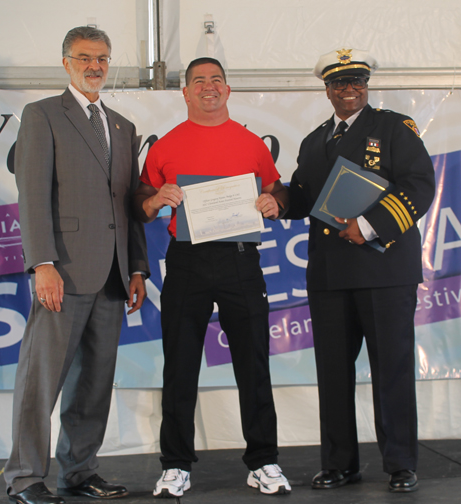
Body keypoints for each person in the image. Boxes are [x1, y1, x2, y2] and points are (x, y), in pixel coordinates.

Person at [4, 26, 150, 504]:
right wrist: (41, 263)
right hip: (61, 273)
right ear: (65, 62)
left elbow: (128, 206)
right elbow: (33, 195)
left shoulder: (124, 127)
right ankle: (25, 477)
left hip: (112, 276)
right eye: (85, 57)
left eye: (103, 58)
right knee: (39, 381)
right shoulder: (42, 115)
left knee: (93, 383)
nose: (95, 66)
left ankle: (80, 471)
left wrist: (137, 269)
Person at [133, 57, 291, 497]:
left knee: (253, 364)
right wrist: (155, 199)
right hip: (186, 261)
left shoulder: (251, 142)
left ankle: (263, 461)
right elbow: (140, 200)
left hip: (241, 260)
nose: (208, 87)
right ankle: (176, 465)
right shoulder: (164, 146)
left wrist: (273, 201)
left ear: (228, 89)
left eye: (216, 80)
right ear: (184, 92)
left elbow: (276, 188)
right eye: (198, 81)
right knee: (180, 365)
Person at [286, 48, 435, 493]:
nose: (348, 90)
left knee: (391, 369)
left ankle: (401, 464)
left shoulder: (393, 128)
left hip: (384, 271)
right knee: (332, 373)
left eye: (355, 82)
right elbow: (303, 199)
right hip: (330, 277)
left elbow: (419, 185)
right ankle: (340, 463)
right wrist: (275, 200)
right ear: (327, 90)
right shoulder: (314, 141)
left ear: (366, 86)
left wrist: (368, 225)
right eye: (338, 83)